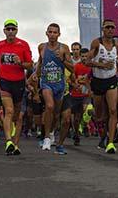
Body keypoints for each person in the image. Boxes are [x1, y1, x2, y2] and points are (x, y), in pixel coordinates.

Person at [0, 19, 33, 155]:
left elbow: (30, 65)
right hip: (5, 82)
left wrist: (20, 63)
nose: (10, 31)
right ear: (4, 30)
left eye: (13, 29)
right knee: (9, 111)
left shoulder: (23, 45)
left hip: (19, 83)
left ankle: (16, 145)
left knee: (18, 117)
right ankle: (9, 141)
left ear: (17, 30)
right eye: (8, 29)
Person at [86, 19, 118, 154]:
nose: (110, 30)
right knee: (100, 116)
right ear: (103, 29)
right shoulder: (97, 43)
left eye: (112, 28)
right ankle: (100, 129)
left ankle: (110, 143)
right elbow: (86, 61)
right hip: (97, 81)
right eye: (107, 27)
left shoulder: (117, 44)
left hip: (111, 81)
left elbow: (116, 62)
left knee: (113, 110)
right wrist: (101, 65)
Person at [34, 23, 73, 152]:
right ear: (46, 33)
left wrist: (62, 60)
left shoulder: (64, 48)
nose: (52, 35)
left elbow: (72, 68)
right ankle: (46, 138)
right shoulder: (42, 47)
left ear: (59, 34)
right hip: (46, 83)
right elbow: (40, 62)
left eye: (55, 32)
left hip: (60, 85)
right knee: (49, 106)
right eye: (50, 32)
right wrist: (35, 75)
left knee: (58, 116)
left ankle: (55, 140)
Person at [71, 48, 93, 146]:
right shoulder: (76, 66)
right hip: (76, 94)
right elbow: (72, 78)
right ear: (80, 57)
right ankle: (76, 134)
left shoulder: (92, 67)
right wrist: (76, 83)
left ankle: (85, 125)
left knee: (86, 109)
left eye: (86, 56)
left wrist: (90, 88)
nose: (84, 58)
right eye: (82, 56)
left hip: (86, 94)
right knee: (76, 118)